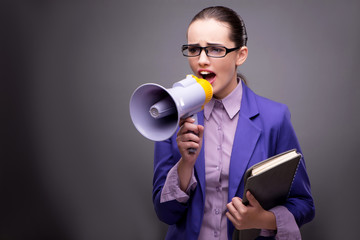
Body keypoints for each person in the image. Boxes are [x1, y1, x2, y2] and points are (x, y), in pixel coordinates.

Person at [152, 6, 315, 240]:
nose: (202, 60)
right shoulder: (173, 117)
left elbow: (304, 204)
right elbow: (165, 213)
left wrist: (261, 219)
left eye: (216, 49)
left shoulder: (275, 118)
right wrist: (185, 165)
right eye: (194, 49)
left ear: (241, 54)